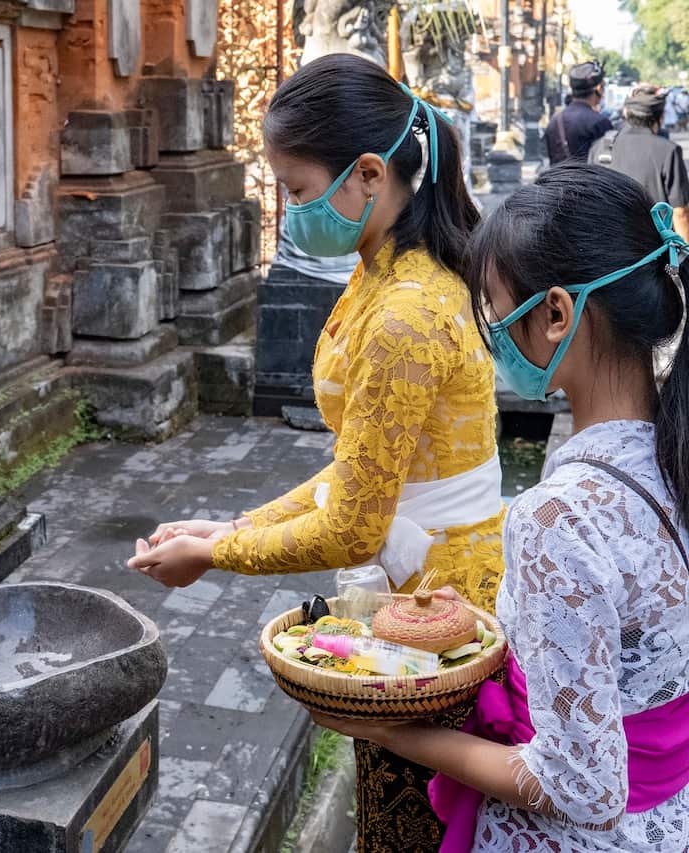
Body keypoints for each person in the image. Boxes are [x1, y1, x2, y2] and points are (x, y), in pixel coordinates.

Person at [127, 53, 503, 852]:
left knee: (417, 825)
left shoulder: (404, 313)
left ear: (368, 174)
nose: (290, 211)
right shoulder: (383, 273)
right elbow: (359, 469)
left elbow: (352, 527)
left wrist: (216, 552)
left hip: (437, 606)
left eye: (297, 190)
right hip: (422, 573)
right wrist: (227, 522)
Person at [316, 165, 689, 852]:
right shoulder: (672, 457)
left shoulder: (559, 517)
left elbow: (584, 786)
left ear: (554, 312)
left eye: (495, 309)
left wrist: (401, 733)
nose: (493, 337)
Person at [590, 86, 689, 242]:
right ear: (660, 118)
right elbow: (680, 212)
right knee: (669, 268)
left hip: (608, 246)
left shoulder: (600, 147)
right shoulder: (668, 151)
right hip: (653, 248)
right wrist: (684, 257)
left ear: (626, 113)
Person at [545, 62, 613, 165]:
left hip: (557, 180)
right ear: (598, 89)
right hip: (589, 180)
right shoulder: (600, 123)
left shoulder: (555, 121)